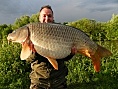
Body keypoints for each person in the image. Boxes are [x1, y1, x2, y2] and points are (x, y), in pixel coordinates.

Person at [27, 5, 74, 89]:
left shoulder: (60, 32)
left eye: (49, 16)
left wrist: (71, 53)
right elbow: (28, 59)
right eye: (44, 16)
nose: (47, 18)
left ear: (53, 18)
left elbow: (65, 57)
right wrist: (34, 52)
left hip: (58, 80)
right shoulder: (31, 33)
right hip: (39, 81)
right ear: (39, 18)